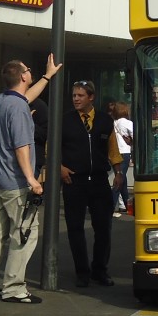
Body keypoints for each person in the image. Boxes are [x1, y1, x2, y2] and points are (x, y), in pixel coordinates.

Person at [0, 60, 45, 304]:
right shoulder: (18, 109)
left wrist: (47, 76)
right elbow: (21, 147)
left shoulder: (1, 100)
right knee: (25, 233)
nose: (30, 72)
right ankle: (14, 288)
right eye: (28, 70)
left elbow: (26, 96)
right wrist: (31, 179)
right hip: (15, 182)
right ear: (24, 77)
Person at [61, 80, 123, 287]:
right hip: (73, 180)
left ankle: (100, 270)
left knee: (103, 227)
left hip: (98, 180)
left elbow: (112, 149)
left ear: (91, 97)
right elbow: (51, 149)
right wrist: (59, 168)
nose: (76, 99)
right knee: (75, 227)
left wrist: (118, 171)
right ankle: (82, 272)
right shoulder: (65, 120)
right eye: (74, 96)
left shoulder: (105, 120)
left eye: (80, 95)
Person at [112, 102, 133, 216]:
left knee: (122, 180)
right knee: (119, 180)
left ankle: (127, 205)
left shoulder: (113, 123)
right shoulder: (127, 123)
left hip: (114, 154)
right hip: (124, 153)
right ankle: (110, 206)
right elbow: (136, 137)